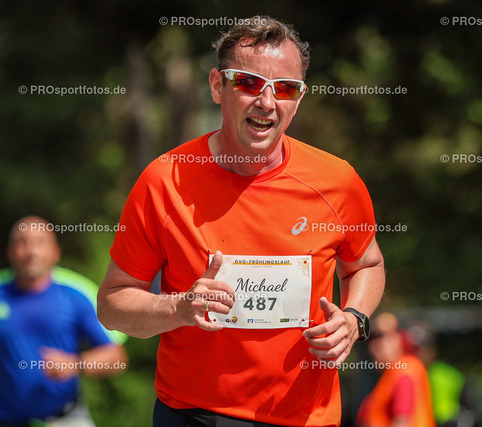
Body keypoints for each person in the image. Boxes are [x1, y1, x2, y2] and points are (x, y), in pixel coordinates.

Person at [97, 15, 385, 427]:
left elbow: (366, 264)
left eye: (285, 88)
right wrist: (179, 306)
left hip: (306, 417)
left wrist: (354, 319)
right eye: (248, 82)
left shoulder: (337, 181)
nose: (267, 102)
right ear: (217, 86)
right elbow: (112, 306)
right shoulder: (164, 180)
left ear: (299, 98)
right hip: (194, 414)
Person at [0, 216, 128, 426]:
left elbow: (116, 358)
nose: (31, 251)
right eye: (22, 242)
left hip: (66, 418)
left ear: (55, 252)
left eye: (39, 242)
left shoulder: (76, 293)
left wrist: (75, 364)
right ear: (10, 252)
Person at [357, 313, 436, 427]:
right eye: (372, 340)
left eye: (382, 339)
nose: (375, 347)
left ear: (401, 339)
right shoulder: (395, 371)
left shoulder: (404, 370)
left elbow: (402, 421)